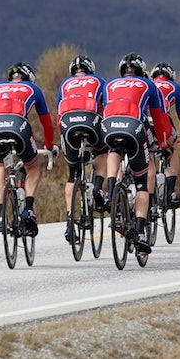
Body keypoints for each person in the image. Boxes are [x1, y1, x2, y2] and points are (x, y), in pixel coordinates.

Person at [100, 53, 174, 255]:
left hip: (108, 126)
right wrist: (164, 143)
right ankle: (141, 232)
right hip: (134, 127)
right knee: (142, 183)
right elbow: (159, 119)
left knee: (113, 148)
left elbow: (102, 107)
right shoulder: (148, 85)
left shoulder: (109, 84)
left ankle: (111, 191)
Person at [0, 62, 58, 235]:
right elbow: (46, 124)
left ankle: (1, 215)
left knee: (0, 166)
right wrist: (49, 146)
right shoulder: (33, 89)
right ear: (29, 78)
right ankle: (29, 209)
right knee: (32, 166)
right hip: (18, 126)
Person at [56, 55, 109, 242]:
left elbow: (58, 114)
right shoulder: (99, 81)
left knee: (72, 174)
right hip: (91, 122)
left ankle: (70, 222)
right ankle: (97, 187)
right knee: (103, 151)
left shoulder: (65, 84)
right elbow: (106, 107)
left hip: (68, 126)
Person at [150, 62, 180, 210]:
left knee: (149, 153)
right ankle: (170, 191)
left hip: (144, 120)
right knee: (173, 149)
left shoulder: (148, 84)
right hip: (162, 120)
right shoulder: (174, 87)